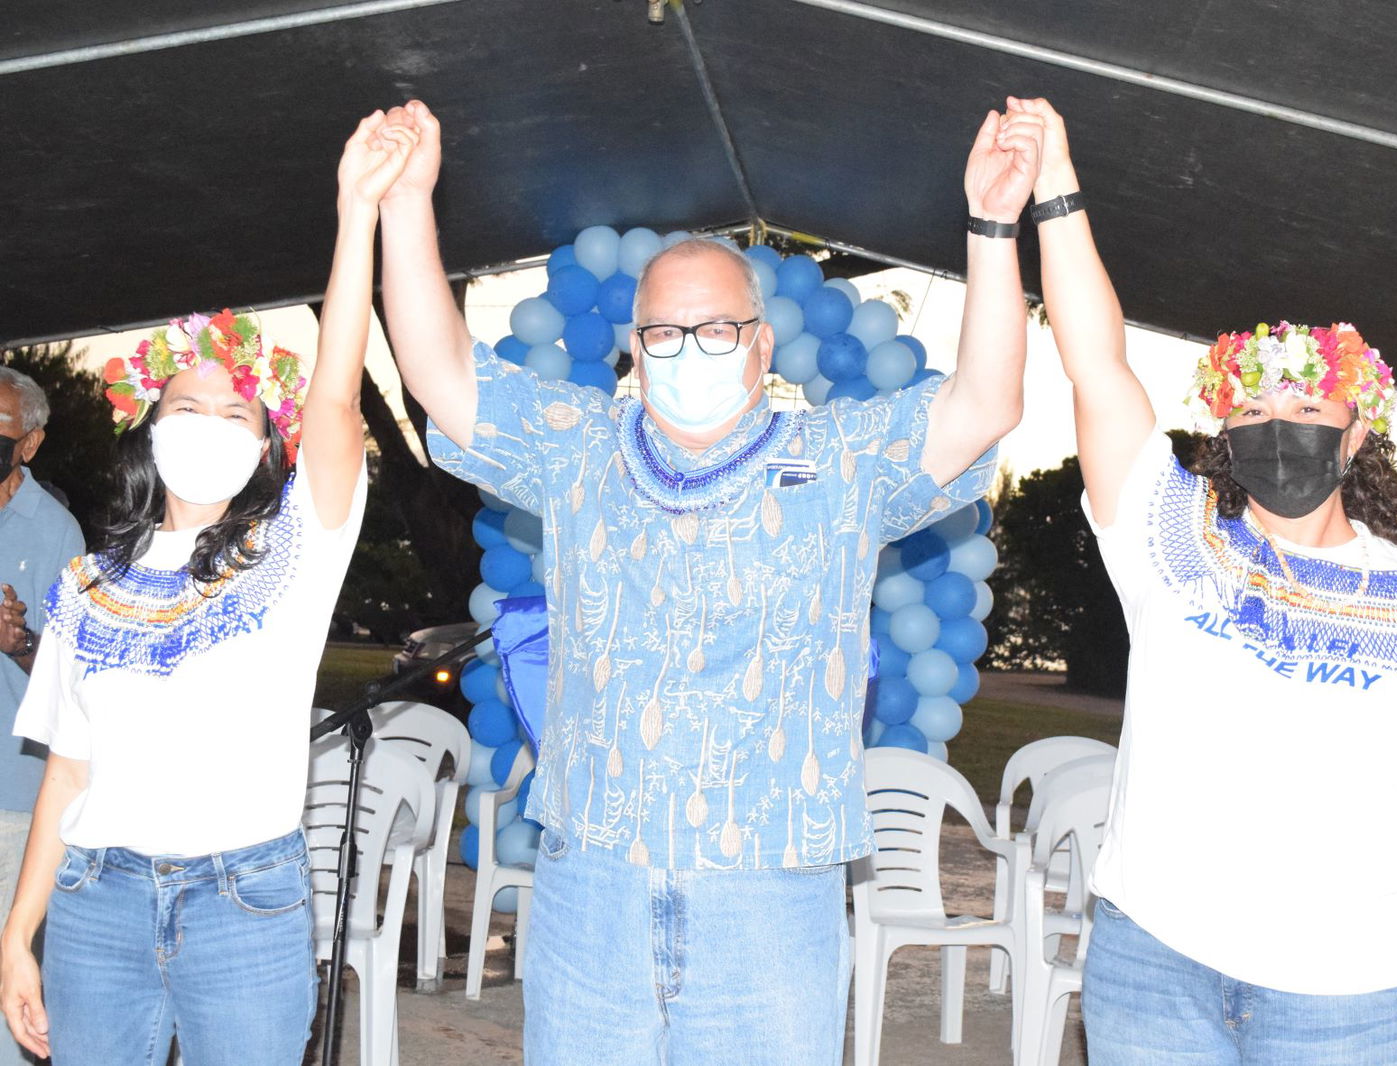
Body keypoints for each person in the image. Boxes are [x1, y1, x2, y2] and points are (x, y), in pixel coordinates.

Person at [374, 97, 1038, 1062]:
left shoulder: (841, 459)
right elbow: (439, 374)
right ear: (635, 351)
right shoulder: (579, 447)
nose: (689, 351)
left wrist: (990, 226)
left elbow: (986, 402)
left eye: (717, 329)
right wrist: (405, 205)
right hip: (591, 883)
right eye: (665, 334)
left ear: (762, 344)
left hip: (768, 894)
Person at [1023, 95, 1397, 1064]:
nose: (1274, 424)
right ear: (1220, 428)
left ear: (1357, 429)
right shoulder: (1172, 540)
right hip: (1154, 970)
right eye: (1249, 404)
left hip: (1353, 1003)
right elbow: (1096, 366)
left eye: (1303, 401)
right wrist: (1055, 190)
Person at [0, 111, 413, 1065]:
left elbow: (340, 399)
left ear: (268, 444)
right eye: (190, 406)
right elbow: (68, 769)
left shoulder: (292, 555)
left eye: (239, 413)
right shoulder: (85, 585)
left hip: (245, 905)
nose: (213, 423)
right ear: (149, 428)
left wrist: (356, 214)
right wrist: (18, 936)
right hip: (95, 903)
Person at [0, 367, 85, 1066]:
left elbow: (79, 685)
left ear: (29, 444)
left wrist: (19, 641)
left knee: (10, 976)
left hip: (14, 797)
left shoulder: (56, 533)